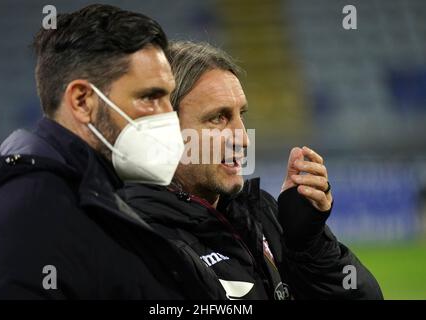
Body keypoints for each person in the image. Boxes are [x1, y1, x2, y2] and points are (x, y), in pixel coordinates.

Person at [0, 5, 209, 299]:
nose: (169, 116)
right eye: (150, 97)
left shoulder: (94, 194)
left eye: (168, 97)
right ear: (83, 101)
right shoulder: (30, 211)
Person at [121, 41, 384, 299]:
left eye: (241, 115)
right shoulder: (137, 241)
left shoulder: (262, 213)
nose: (243, 138)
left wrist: (309, 245)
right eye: (218, 118)